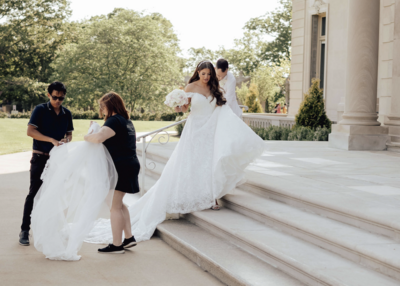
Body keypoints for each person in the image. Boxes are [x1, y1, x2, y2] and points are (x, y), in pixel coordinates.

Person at [85, 61, 265, 246]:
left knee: (210, 161)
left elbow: (221, 109)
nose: (206, 77)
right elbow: (184, 110)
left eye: (208, 74)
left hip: (210, 132)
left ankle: (213, 197)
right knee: (191, 163)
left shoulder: (215, 89)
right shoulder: (190, 87)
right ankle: (190, 195)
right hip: (194, 131)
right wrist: (177, 105)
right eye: (203, 74)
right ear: (197, 73)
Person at [84, 92, 140, 254]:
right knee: (119, 204)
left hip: (121, 167)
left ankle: (117, 245)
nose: (102, 110)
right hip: (129, 164)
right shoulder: (126, 121)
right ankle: (128, 238)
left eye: (103, 106)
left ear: (111, 105)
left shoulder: (114, 121)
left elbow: (99, 137)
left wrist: (87, 136)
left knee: (114, 207)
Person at [19, 81, 73, 246]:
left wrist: (66, 140)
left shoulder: (66, 113)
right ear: (49, 95)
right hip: (40, 157)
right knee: (34, 193)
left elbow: (69, 134)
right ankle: (25, 230)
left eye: (61, 98)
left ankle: (51, 229)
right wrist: (51, 140)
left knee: (54, 195)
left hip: (58, 159)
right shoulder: (40, 109)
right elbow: (30, 131)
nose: (58, 101)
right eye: (55, 97)